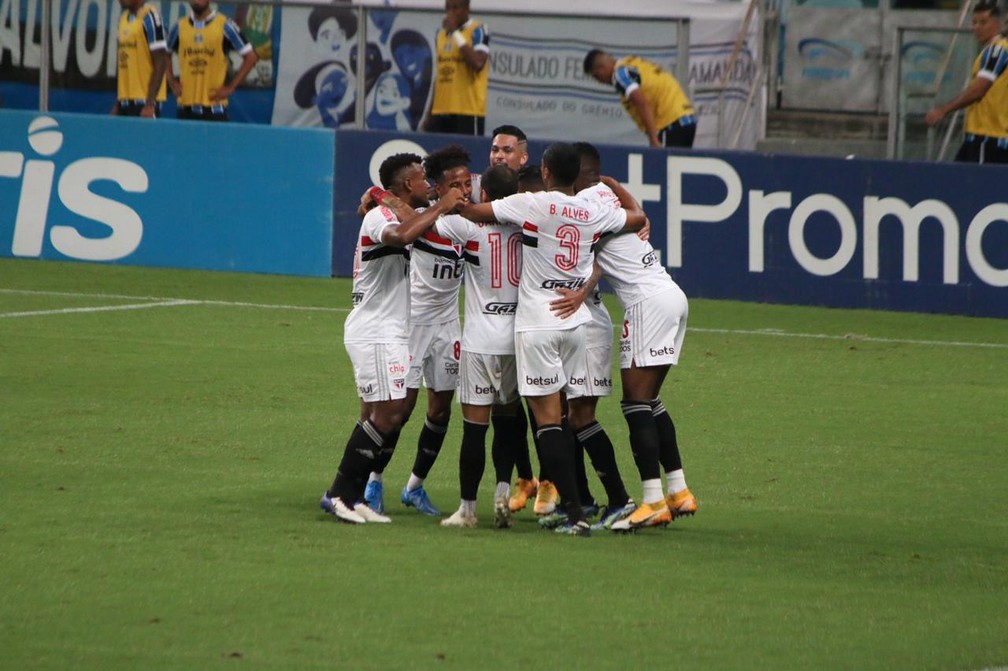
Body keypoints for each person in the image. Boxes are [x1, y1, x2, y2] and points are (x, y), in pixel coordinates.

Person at [461, 142, 647, 536]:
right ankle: (585, 503)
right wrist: (615, 187)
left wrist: (450, 200)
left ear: (545, 172)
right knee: (572, 417)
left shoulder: (534, 203)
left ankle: (574, 512)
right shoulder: (593, 208)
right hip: (577, 323)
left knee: (548, 422)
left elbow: (475, 212)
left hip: (539, 324)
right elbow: (636, 217)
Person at [551, 142, 698, 532]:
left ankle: (651, 502)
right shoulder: (605, 192)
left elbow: (593, 258)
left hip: (646, 303)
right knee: (649, 400)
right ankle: (678, 490)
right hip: (671, 294)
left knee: (635, 405)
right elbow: (635, 218)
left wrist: (582, 291)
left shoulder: (584, 205)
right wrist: (616, 184)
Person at [320, 154, 465, 524]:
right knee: (390, 413)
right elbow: (401, 235)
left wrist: (380, 194)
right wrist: (438, 206)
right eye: (421, 180)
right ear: (406, 185)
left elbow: (410, 221)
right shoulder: (379, 218)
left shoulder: (394, 209)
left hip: (389, 329)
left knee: (378, 414)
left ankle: (353, 497)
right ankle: (338, 493)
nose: (429, 186)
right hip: (374, 330)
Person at [362, 150, 467, 519]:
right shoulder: (423, 218)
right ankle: (373, 480)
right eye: (455, 185)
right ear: (438, 188)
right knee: (398, 411)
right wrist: (378, 194)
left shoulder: (468, 220)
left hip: (448, 324)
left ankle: (414, 486)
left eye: (467, 183)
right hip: (412, 323)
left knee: (440, 411)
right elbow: (404, 221)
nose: (464, 190)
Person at [924, 1, 1008, 164]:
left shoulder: (997, 51)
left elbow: (980, 89)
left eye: (983, 22)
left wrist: (943, 110)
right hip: (976, 138)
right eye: (974, 22)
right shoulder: (990, 51)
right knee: (953, 184)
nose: (977, 27)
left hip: (988, 139)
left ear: (999, 24)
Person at [583, 49, 696, 148]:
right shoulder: (634, 62)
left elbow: (642, 102)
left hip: (670, 123)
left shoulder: (619, 75)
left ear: (601, 68)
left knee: (664, 169)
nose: (600, 81)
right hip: (686, 118)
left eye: (596, 76)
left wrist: (653, 139)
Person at [166, 0, 258, 121]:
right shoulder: (179, 27)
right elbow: (164, 54)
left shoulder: (225, 25)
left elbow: (251, 57)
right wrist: (172, 82)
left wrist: (231, 87)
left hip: (214, 109)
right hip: (185, 108)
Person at [421, 0, 490, 135]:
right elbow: (440, 76)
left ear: (466, 9)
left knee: (466, 155)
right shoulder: (440, 35)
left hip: (468, 112)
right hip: (440, 111)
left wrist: (455, 33)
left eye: (455, 8)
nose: (450, 13)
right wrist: (429, 114)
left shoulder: (478, 30)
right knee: (436, 155)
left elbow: (478, 63)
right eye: (448, 8)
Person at [112, 0, 169, 118]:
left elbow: (160, 62)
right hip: (125, 102)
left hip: (144, 102)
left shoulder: (151, 18)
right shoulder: (123, 19)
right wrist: (119, 102)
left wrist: (150, 103)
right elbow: (125, 63)